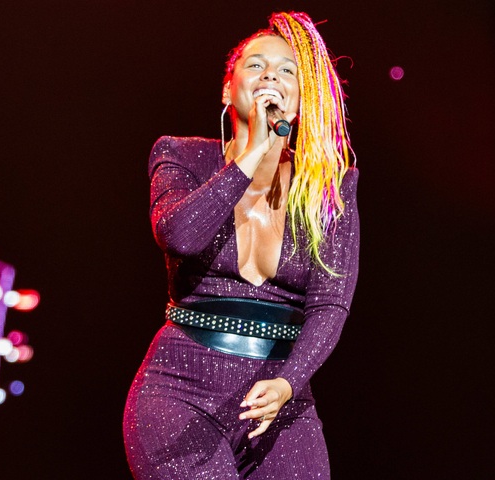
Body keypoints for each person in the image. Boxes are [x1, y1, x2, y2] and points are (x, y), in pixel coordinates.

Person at [123, 11, 359, 479]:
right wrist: (253, 151)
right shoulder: (181, 155)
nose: (271, 74)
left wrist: (290, 383)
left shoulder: (329, 185)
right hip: (179, 392)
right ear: (228, 91)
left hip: (279, 400)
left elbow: (331, 304)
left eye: (287, 69)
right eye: (256, 65)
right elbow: (180, 235)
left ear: (299, 103)